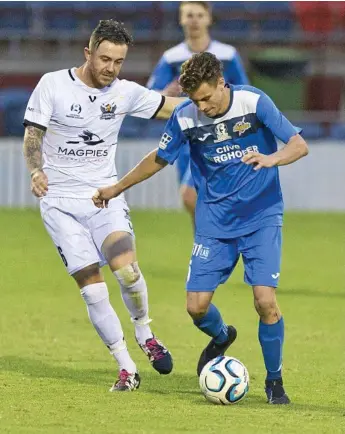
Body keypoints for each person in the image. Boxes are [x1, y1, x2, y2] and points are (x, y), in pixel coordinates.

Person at [92, 52, 309, 404]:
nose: (202, 106)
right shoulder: (185, 116)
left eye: (207, 97)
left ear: (222, 83)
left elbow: (299, 145)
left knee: (265, 301)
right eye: (195, 99)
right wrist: (116, 187)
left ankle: (274, 382)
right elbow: (159, 159)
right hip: (214, 223)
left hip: (261, 216)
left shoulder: (254, 102)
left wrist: (271, 158)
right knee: (196, 307)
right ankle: (222, 336)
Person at [22, 20, 183, 392]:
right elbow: (33, 135)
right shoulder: (53, 85)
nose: (111, 68)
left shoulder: (124, 92)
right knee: (93, 290)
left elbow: (167, 107)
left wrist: (218, 98)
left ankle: (145, 333)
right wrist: (35, 171)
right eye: (105, 58)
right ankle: (126, 367)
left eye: (119, 61)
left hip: (103, 196)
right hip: (59, 203)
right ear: (88, 54)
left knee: (126, 271)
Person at [147, 1, 249, 220]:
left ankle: (220, 242)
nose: (194, 20)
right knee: (195, 204)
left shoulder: (227, 55)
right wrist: (166, 93)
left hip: (220, 135)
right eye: (189, 15)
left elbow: (245, 93)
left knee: (191, 196)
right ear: (181, 19)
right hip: (185, 137)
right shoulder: (171, 57)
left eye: (199, 15)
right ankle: (210, 248)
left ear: (209, 19)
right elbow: (150, 99)